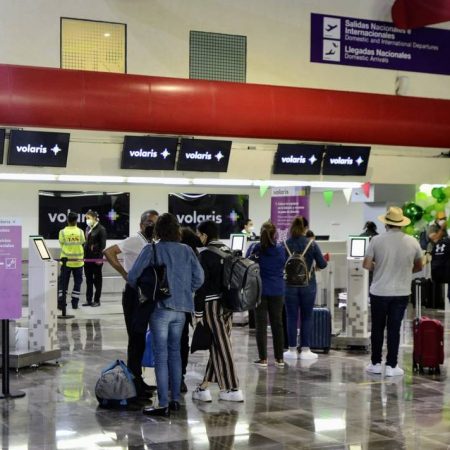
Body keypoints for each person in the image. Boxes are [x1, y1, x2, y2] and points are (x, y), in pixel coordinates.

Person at [128, 213, 204, 417]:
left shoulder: (151, 249)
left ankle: (162, 403)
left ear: (158, 230)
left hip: (159, 309)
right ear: (177, 229)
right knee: (175, 354)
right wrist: (185, 290)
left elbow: (133, 276)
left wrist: (146, 290)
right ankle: (175, 400)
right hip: (181, 309)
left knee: (161, 356)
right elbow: (200, 278)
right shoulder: (187, 250)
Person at [103, 209, 159, 398]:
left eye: (156, 223)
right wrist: (124, 273)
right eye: (150, 223)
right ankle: (133, 383)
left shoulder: (152, 243)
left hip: (146, 295)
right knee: (135, 339)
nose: (153, 226)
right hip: (133, 294)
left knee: (141, 340)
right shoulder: (134, 241)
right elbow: (109, 251)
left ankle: (138, 380)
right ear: (142, 225)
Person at [363, 206, 423, 377]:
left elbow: (367, 265)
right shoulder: (412, 241)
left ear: (386, 224)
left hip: (379, 291)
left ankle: (375, 363)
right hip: (401, 292)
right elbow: (419, 265)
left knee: (377, 328)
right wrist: (404, 271)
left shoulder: (376, 240)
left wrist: (380, 267)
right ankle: (391, 365)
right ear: (401, 224)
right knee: (394, 328)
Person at [192, 220, 244, 402]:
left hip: (211, 305)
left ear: (205, 235)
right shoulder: (229, 251)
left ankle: (232, 387)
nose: (198, 238)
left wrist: (197, 312)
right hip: (229, 304)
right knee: (218, 344)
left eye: (199, 235)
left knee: (222, 346)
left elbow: (200, 285)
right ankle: (203, 388)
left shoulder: (205, 255)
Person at [283, 216, 328, 361]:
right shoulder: (312, 244)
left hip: (289, 286)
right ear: (306, 228)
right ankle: (305, 350)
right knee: (306, 317)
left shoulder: (285, 244)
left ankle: (291, 350)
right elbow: (322, 264)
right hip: (308, 285)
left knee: (291, 317)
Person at [250, 221, 286, 368]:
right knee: (277, 324)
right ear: (274, 234)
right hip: (277, 290)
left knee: (261, 325)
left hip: (260, 290)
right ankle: (279, 359)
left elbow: (248, 264)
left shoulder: (256, 249)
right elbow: (283, 264)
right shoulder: (281, 249)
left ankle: (263, 359)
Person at [179, 227, 203, 393]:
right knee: (182, 342)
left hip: (172, 303)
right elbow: (199, 279)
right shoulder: (195, 255)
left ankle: (170, 378)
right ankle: (180, 377)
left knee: (169, 343)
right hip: (187, 304)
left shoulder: (180, 253)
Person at [58, 211, 85, 310]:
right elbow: (82, 242)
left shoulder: (62, 232)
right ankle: (74, 304)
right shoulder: (81, 232)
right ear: (76, 220)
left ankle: (61, 303)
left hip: (66, 263)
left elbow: (61, 244)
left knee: (63, 284)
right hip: (78, 262)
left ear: (67, 220)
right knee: (77, 283)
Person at [82, 210, 107, 307]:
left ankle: (97, 300)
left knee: (97, 280)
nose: (87, 220)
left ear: (95, 218)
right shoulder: (88, 228)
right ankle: (89, 300)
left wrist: (94, 247)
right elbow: (86, 242)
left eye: (88, 218)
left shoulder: (101, 229)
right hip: (87, 258)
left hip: (96, 259)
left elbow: (103, 245)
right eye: (86, 218)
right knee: (88, 280)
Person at [427, 211, 449, 303]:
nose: (443, 221)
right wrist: (442, 229)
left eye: (444, 219)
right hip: (434, 257)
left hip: (445, 258)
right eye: (441, 219)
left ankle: (442, 300)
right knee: (435, 278)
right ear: (436, 220)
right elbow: (435, 239)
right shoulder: (432, 227)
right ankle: (433, 301)